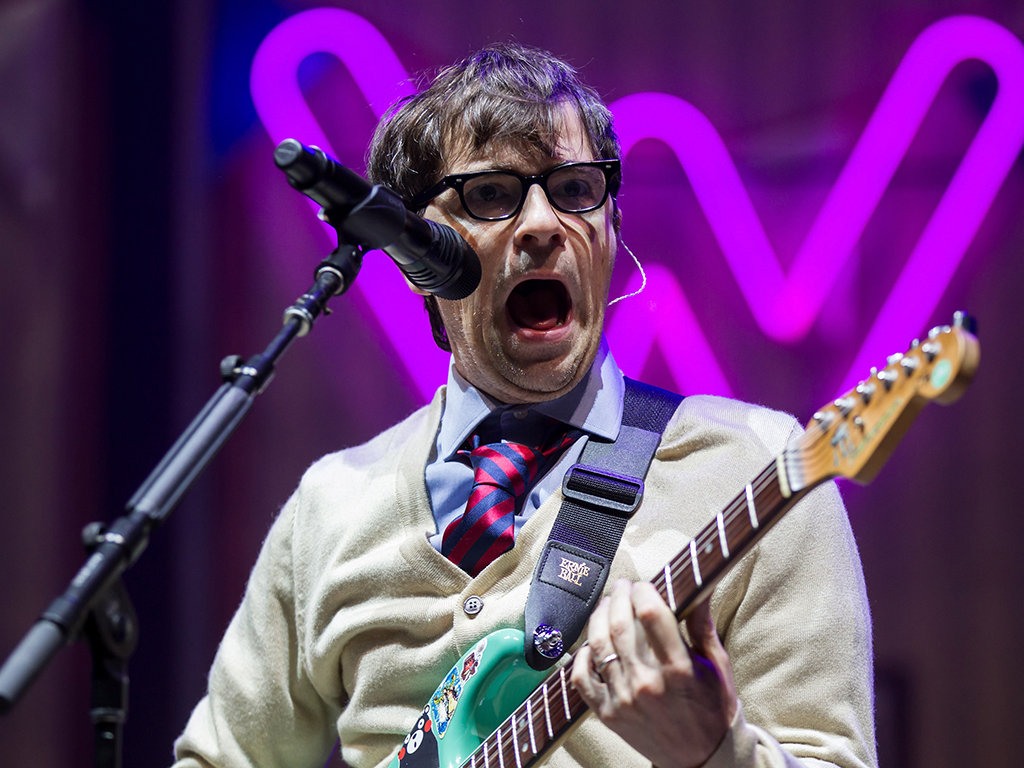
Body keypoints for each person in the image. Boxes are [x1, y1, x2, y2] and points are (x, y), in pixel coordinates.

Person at [173, 44, 876, 768]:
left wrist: (712, 752)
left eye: (574, 188)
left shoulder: (758, 470)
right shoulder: (331, 504)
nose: (542, 225)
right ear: (419, 254)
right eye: (490, 194)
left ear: (611, 227)